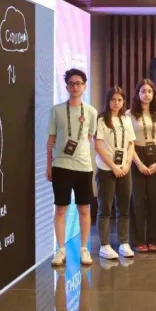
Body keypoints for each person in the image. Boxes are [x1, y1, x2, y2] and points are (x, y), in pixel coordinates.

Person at [47, 68, 98, 267]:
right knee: (61, 209)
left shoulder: (91, 112)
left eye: (79, 83)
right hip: (61, 165)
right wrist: (49, 165)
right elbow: (51, 140)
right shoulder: (57, 110)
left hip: (83, 167)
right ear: (67, 87)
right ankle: (61, 250)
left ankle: (84, 249)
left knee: (84, 209)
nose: (75, 87)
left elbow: (89, 137)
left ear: (84, 86)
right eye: (71, 83)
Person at [95, 86, 136, 259]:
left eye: (119, 100)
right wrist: (113, 166)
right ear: (108, 101)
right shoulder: (101, 119)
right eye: (113, 99)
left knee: (124, 208)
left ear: (123, 101)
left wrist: (127, 165)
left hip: (125, 170)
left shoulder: (126, 119)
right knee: (105, 208)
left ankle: (124, 242)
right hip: (106, 169)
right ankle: (104, 245)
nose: (116, 103)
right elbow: (98, 147)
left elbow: (131, 144)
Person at [126, 79, 156, 253]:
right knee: (137, 200)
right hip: (136, 155)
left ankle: (154, 239)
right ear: (138, 93)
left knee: (155, 200)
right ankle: (138, 240)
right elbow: (129, 142)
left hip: (155, 155)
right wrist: (139, 163)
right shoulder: (129, 114)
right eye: (143, 91)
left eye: (149, 91)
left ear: (153, 94)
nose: (146, 94)